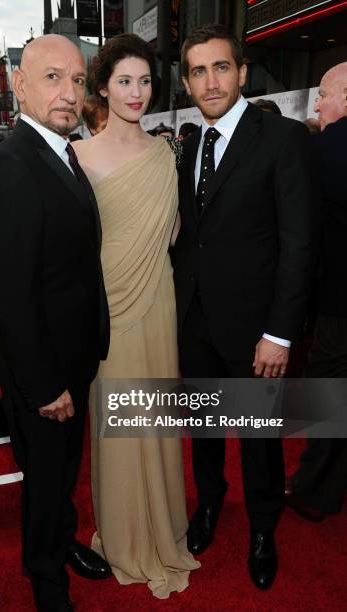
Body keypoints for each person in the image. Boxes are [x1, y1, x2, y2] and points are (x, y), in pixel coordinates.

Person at [173, 24, 317, 590]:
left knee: (258, 438)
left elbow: (300, 242)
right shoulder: (188, 144)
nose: (211, 82)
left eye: (221, 68)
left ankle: (263, 528)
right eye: (199, 71)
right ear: (187, 81)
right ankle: (208, 506)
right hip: (196, 321)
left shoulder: (281, 140)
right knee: (205, 430)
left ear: (242, 71)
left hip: (257, 329)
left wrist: (280, 334)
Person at [0, 34, 111, 612]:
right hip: (44, 372)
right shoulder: (12, 164)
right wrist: (43, 384)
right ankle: (46, 580)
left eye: (78, 80)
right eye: (53, 78)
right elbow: (10, 294)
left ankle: (63, 538)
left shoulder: (62, 150)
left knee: (61, 474)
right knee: (46, 479)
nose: (70, 92)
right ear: (20, 86)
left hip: (72, 356)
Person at [71, 33, 200, 599]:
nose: (136, 92)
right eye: (124, 81)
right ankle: (125, 535)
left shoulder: (166, 154)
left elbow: (171, 233)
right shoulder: (77, 157)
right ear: (102, 86)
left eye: (145, 81)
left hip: (157, 302)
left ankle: (164, 527)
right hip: (108, 313)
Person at [286, 62, 347, 522]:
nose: (317, 104)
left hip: (338, 307)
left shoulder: (321, 151)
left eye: (323, 94)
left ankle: (313, 491)